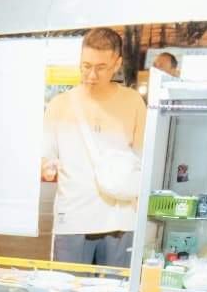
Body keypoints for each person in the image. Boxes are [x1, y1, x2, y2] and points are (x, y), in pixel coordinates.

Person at [41, 27, 146, 266]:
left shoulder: (132, 101)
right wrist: (47, 166)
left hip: (121, 219)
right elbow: (45, 155)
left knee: (118, 287)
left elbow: (143, 159)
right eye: (85, 66)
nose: (91, 75)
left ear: (117, 64)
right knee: (68, 287)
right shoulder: (59, 104)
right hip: (73, 220)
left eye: (101, 67)